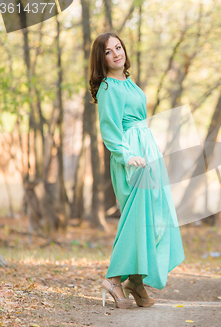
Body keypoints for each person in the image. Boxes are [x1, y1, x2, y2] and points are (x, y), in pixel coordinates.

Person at [88, 32, 185, 309]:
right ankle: (114, 279)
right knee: (136, 217)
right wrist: (127, 155)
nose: (117, 53)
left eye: (119, 47)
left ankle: (136, 283)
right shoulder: (108, 88)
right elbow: (109, 129)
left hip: (147, 153)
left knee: (153, 216)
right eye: (109, 51)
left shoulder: (128, 82)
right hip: (131, 157)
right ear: (102, 58)